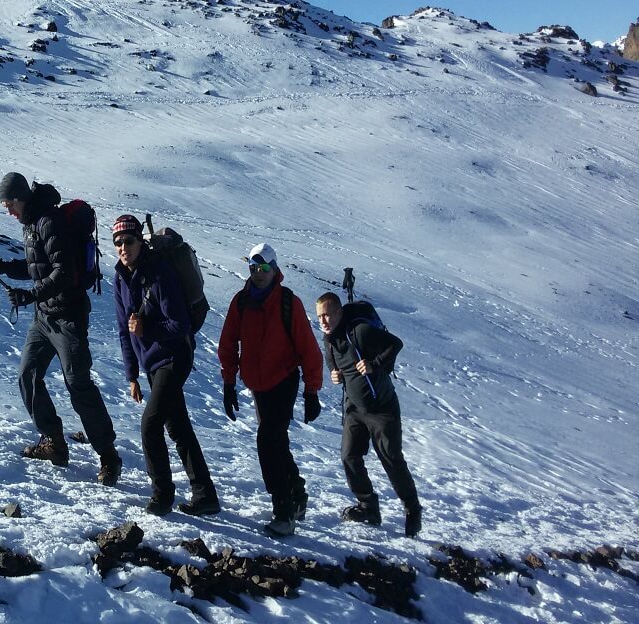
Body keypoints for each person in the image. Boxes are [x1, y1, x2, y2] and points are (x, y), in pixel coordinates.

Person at [0, 172, 122, 485]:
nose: (8, 211)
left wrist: (28, 295)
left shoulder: (49, 221)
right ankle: (54, 444)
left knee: (78, 385)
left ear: (20, 198)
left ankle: (109, 457)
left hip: (68, 318)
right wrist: (6, 267)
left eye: (9, 205)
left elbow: (64, 273)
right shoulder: (32, 222)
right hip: (44, 317)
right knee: (28, 375)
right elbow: (38, 266)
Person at [111, 214, 220, 516]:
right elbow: (124, 329)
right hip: (152, 364)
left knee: (150, 424)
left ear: (138, 241)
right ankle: (205, 495)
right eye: (117, 242)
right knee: (178, 427)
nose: (123, 247)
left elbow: (180, 325)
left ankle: (162, 495)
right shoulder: (120, 278)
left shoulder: (159, 274)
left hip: (174, 357)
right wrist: (131, 374)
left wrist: (148, 330)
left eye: (128, 241)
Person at [217, 242, 323, 537]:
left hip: (284, 380)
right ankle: (297, 494)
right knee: (276, 442)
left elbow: (309, 350)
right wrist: (229, 383)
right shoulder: (241, 302)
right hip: (258, 384)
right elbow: (227, 345)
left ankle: (283, 510)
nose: (258, 273)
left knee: (267, 440)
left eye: (264, 268)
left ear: (275, 269)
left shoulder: (289, 303)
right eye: (253, 268)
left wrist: (311, 391)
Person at [315, 292, 423, 537]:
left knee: (392, 460)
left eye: (328, 315)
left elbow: (395, 344)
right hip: (354, 408)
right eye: (320, 316)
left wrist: (375, 363)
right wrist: (334, 373)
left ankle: (412, 510)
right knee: (349, 456)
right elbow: (333, 361)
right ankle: (368, 507)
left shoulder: (361, 331)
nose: (323, 321)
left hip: (382, 408)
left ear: (339, 313)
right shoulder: (329, 339)